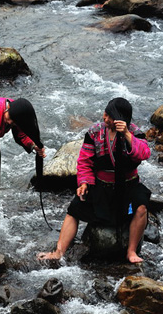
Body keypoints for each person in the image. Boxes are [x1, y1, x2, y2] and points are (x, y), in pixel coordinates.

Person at [37, 98, 151, 263]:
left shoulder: (135, 133)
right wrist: (84, 182)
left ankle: (131, 251)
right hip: (101, 185)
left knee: (141, 208)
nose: (105, 119)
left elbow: (144, 154)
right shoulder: (95, 132)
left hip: (128, 186)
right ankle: (58, 252)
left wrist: (126, 134)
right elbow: (84, 161)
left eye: (109, 116)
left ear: (120, 118)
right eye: (105, 114)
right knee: (75, 208)